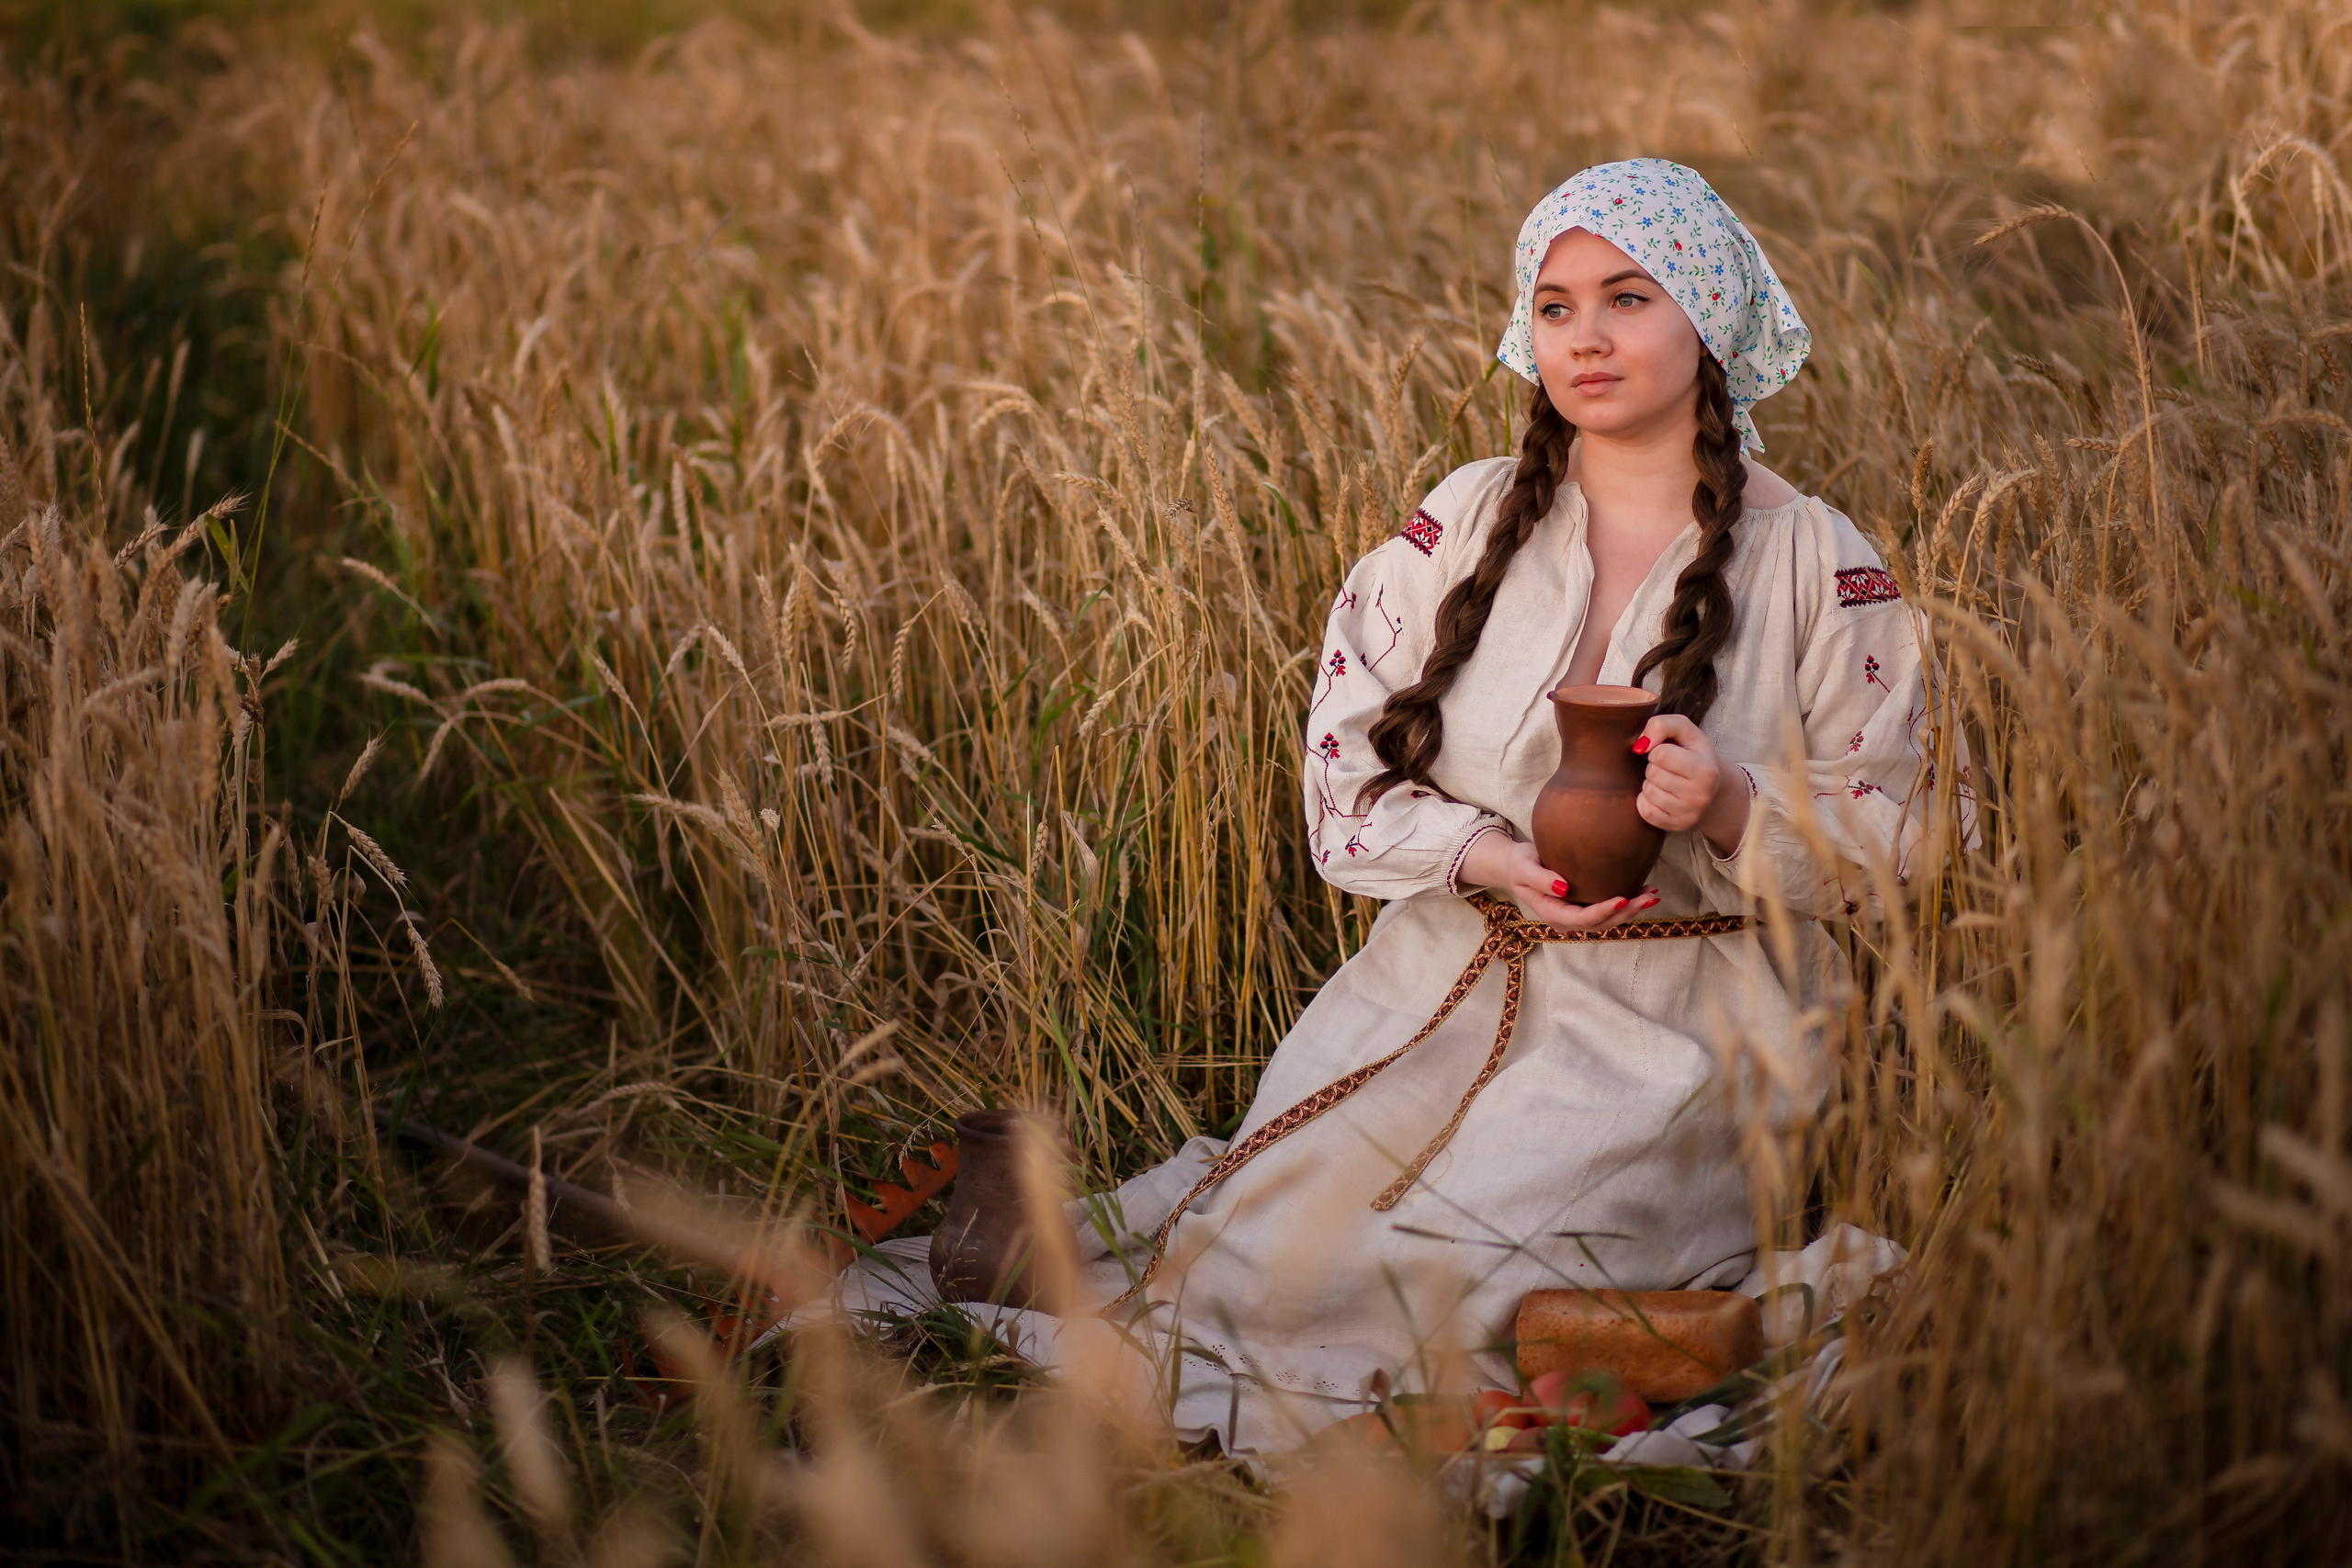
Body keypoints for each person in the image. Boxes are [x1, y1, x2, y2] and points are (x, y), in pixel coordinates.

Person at [886, 158, 1961, 1458]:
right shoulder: (1462, 521)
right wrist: (1483, 855)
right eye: (1555, 307)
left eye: (1628, 298)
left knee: (1454, 1284)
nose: (1587, 337)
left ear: (1710, 317)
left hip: (1689, 1029)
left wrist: (1734, 805)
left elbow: (1899, 835)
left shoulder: (1822, 563)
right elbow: (1342, 775)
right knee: (1266, 1271)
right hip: (1446, 983)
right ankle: (1055, 1238)